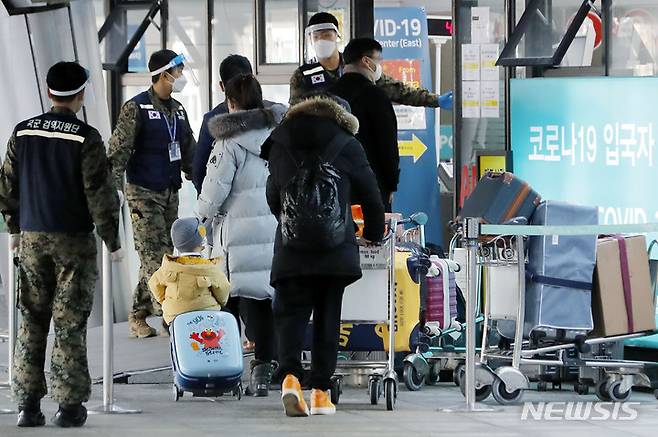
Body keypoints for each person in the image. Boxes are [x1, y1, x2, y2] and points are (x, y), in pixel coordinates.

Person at [0, 62, 122, 428]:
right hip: (74, 245)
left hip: (33, 241)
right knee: (69, 324)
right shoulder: (86, 138)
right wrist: (112, 239)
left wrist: (14, 228)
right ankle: (68, 407)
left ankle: (27, 406)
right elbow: (99, 194)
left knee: (32, 321)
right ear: (80, 95)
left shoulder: (22, 133)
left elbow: (6, 187)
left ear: (50, 92)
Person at [263, 93, 385, 417]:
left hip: (292, 248)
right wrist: (372, 233)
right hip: (335, 249)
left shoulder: (279, 141)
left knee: (290, 315)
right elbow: (372, 196)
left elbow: (273, 195)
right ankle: (319, 393)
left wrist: (290, 222)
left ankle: (290, 378)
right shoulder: (347, 143)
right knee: (328, 318)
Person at [196, 74, 287, 397]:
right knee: (262, 301)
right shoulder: (280, 133)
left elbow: (214, 191)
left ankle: (222, 371)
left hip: (236, 233)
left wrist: (199, 218)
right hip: (273, 229)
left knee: (226, 302)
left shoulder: (228, 142)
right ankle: (264, 370)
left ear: (231, 104)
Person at [108, 49, 196, 339]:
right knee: (155, 255)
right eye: (178, 71)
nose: (181, 77)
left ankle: (137, 314)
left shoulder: (179, 110)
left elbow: (189, 151)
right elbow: (117, 153)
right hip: (143, 192)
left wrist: (200, 178)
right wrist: (113, 192)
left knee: (160, 256)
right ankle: (170, 316)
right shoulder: (136, 108)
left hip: (170, 191)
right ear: (163, 74)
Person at [290, 11, 453, 109]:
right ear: (310, 40)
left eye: (326, 35)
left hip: (360, 141)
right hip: (323, 148)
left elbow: (396, 89)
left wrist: (435, 100)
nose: (321, 40)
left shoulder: (356, 65)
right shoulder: (303, 75)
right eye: (316, 37)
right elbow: (295, 114)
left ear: (337, 37)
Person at [331, 38, 400, 212]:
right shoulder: (375, 95)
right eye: (379, 60)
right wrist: (391, 183)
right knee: (372, 236)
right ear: (366, 61)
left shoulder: (328, 95)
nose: (380, 65)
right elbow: (387, 143)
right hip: (372, 183)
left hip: (334, 184)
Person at [148, 217, 230, 330]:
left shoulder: (168, 267)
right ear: (202, 243)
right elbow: (223, 289)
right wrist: (220, 303)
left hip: (174, 318)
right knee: (228, 314)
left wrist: (165, 301)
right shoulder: (210, 268)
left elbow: (153, 283)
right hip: (206, 316)